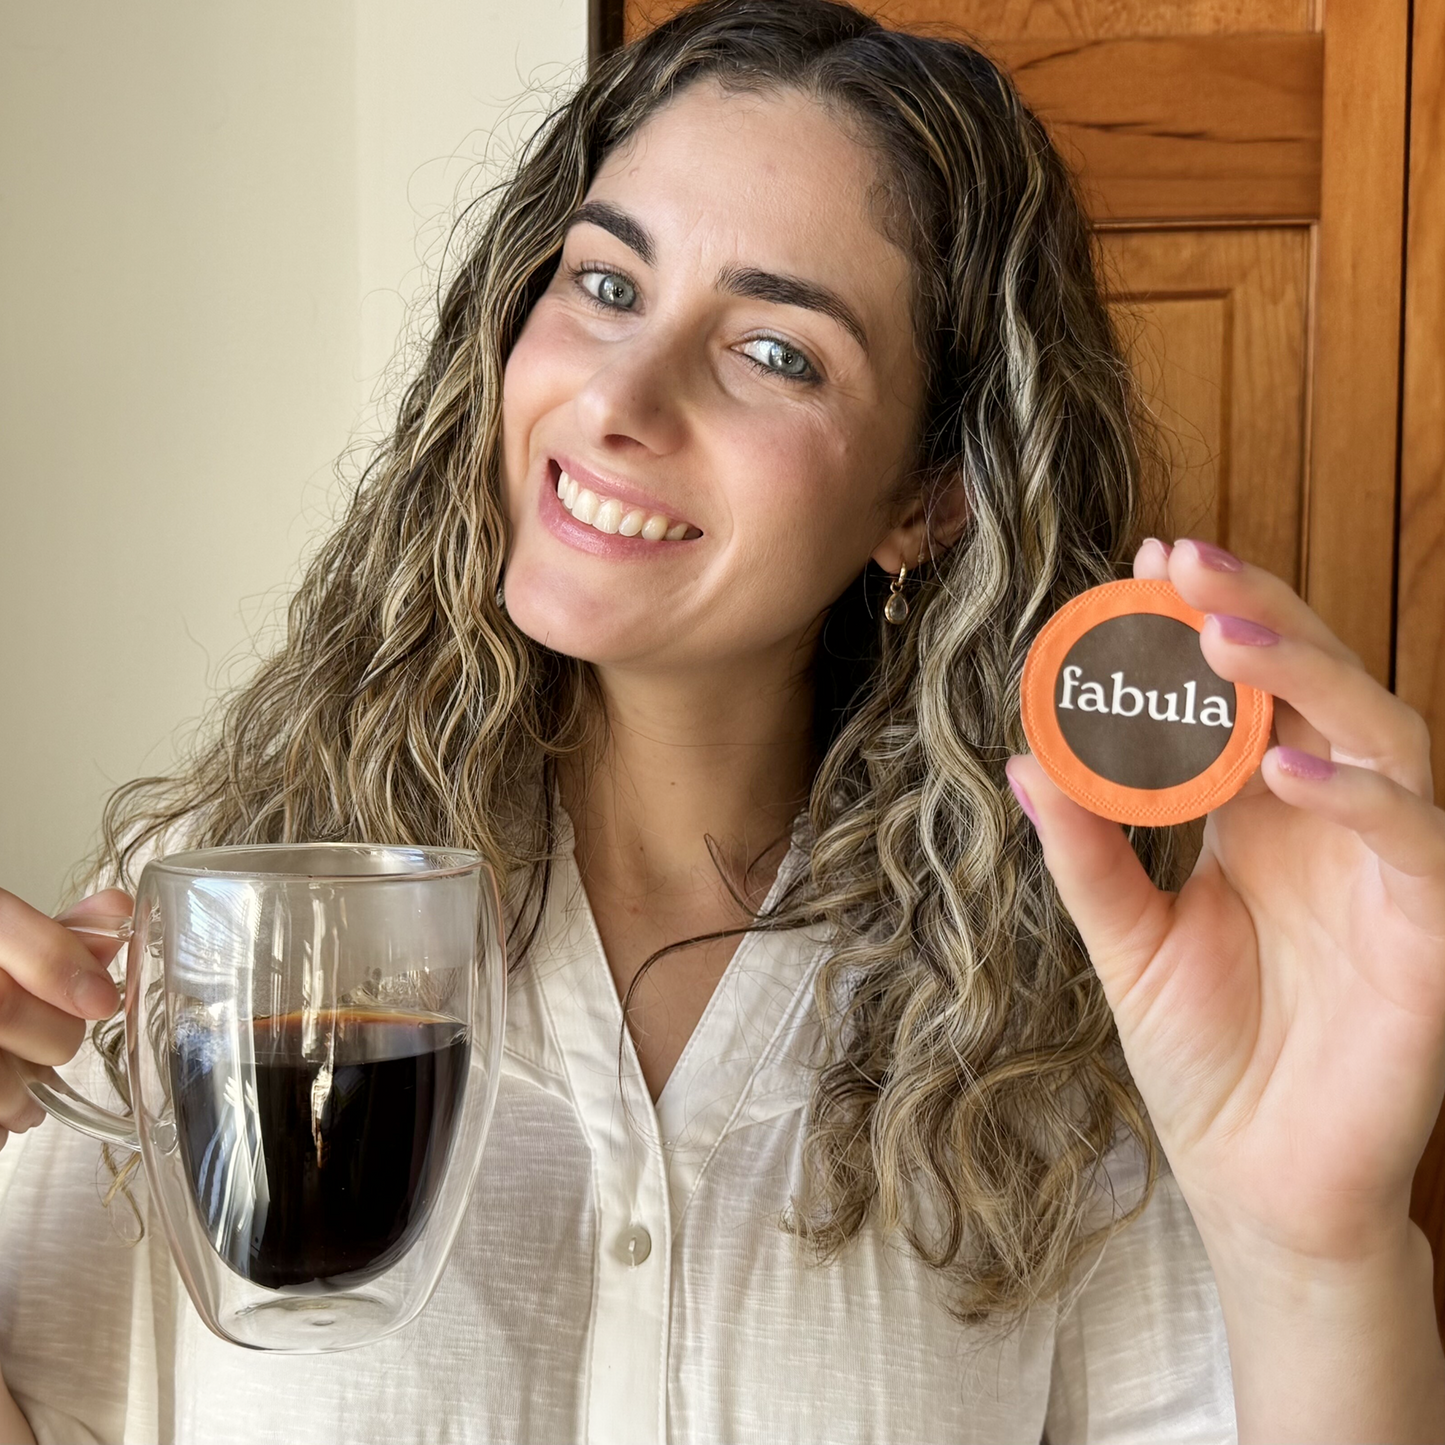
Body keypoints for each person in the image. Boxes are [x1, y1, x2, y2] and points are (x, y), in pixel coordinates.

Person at [1, 1, 1443, 1440]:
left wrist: (1319, 1252)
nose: (617, 398)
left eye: (776, 351)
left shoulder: (1068, 1016)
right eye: (606, 284)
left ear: (930, 498)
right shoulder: (216, 917)